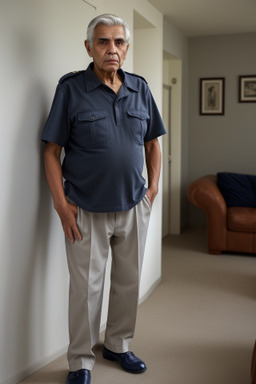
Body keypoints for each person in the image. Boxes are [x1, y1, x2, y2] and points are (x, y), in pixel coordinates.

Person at [42, 13, 166, 384]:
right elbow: (51, 152)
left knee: (128, 283)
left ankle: (118, 345)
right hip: (84, 208)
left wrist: (153, 188)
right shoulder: (71, 89)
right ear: (89, 48)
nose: (111, 49)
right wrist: (61, 205)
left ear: (126, 49)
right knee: (85, 289)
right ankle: (81, 360)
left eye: (118, 42)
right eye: (103, 42)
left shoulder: (140, 89)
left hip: (132, 204)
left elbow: (152, 143)